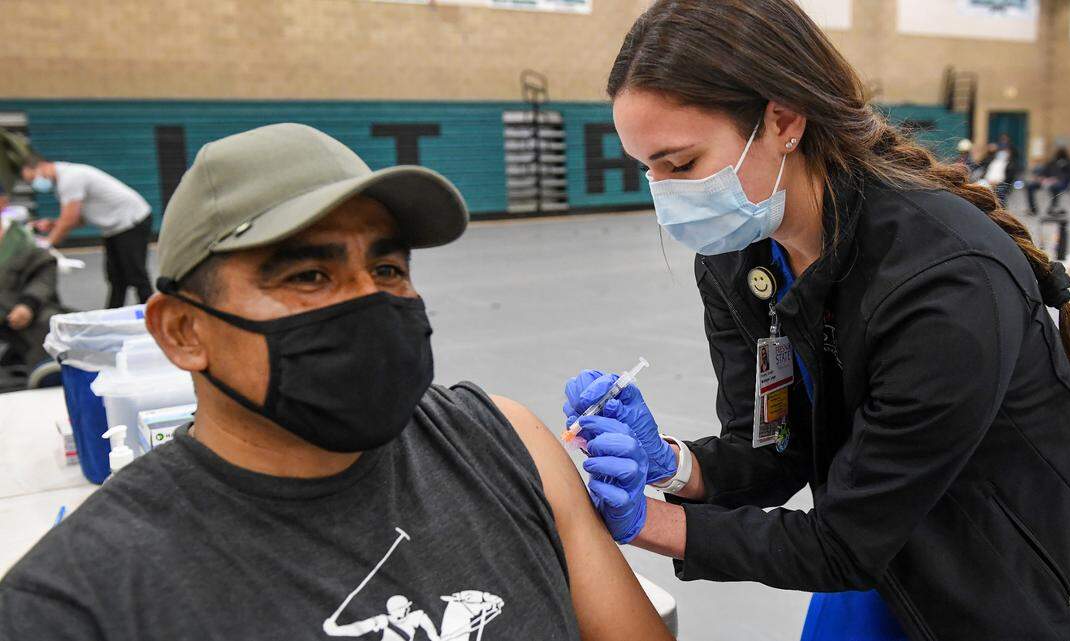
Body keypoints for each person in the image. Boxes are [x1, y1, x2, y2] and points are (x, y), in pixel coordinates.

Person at [563, 2, 1070, 640]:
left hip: (1025, 576)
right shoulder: (739, 262)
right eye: (647, 169)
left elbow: (841, 546)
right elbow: (775, 451)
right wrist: (671, 466)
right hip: (888, 541)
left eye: (681, 165)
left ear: (782, 120)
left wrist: (642, 522)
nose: (665, 195)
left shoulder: (943, 282)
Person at [0, 124, 674, 641]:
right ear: (182, 330)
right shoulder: (79, 602)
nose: (369, 302)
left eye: (387, 270)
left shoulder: (504, 443)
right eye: (308, 276)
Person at [21, 156, 154, 306]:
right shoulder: (62, 183)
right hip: (114, 227)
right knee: (116, 277)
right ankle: (112, 314)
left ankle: (152, 312)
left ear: (42, 166)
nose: (35, 183)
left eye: (33, 178)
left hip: (131, 221)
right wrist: (53, 224)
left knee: (136, 274)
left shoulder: (69, 178)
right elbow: (79, 219)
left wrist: (48, 243)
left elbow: (69, 219)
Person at [0, 205, 62, 375]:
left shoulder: (22, 240)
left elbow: (43, 275)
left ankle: (44, 368)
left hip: (19, 307)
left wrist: (28, 304)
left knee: (49, 321)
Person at [1024, 147, 1070, 217]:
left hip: (1059, 182)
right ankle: (1033, 209)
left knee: (1055, 187)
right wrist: (1040, 178)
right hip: (1047, 181)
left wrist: (1057, 179)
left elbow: (1069, 175)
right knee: (1030, 186)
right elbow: (1045, 171)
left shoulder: (1069, 163)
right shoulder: (1052, 162)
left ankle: (1053, 208)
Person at [978, 133, 1022, 206]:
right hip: (988, 181)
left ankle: (1001, 208)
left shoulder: (1010, 165)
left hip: (999, 183)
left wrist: (997, 183)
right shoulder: (993, 161)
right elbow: (983, 163)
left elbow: (1008, 178)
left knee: (1000, 191)